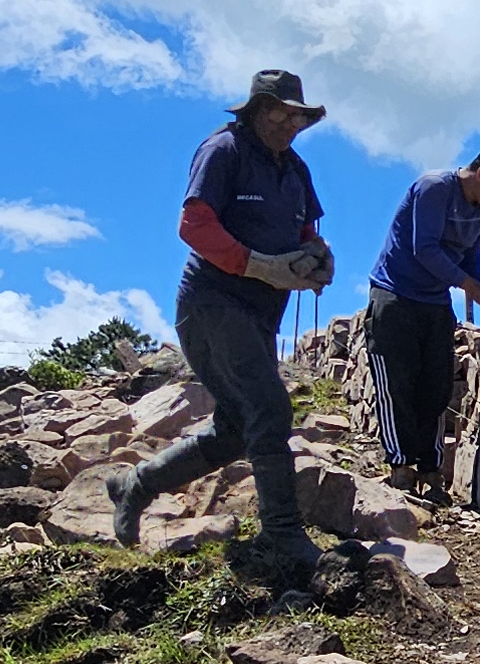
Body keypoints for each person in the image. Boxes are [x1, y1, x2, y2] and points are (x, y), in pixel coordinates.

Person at [105, 70, 335, 577]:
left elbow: (304, 228)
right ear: (257, 109)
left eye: (298, 117)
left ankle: (135, 485)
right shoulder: (223, 151)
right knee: (270, 407)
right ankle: (281, 533)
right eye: (282, 114)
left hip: (259, 312)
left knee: (236, 430)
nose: (290, 125)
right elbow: (194, 224)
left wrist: (317, 254)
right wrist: (256, 264)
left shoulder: (293, 169)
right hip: (212, 304)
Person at [362, 145, 480, 495]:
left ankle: (431, 470)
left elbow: (471, 261)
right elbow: (425, 249)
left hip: (434, 302)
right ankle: (400, 468)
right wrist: (471, 288)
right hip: (396, 295)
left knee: (435, 388)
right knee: (396, 384)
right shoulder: (434, 188)